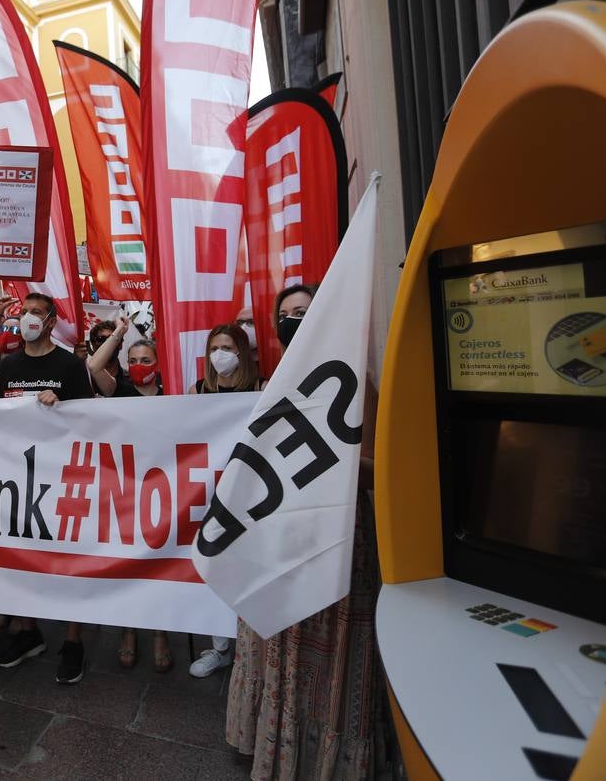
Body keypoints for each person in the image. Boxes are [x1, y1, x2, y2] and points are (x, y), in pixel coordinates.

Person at [224, 282, 390, 780]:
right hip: (274, 540)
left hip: (337, 541)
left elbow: (381, 469)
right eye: (287, 313)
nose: (295, 320)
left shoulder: (358, 384)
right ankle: (270, 739)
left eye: (305, 311)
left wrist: (337, 463)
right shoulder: (267, 386)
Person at [0, 292, 93, 684]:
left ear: (50, 322)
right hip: (19, 478)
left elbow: (92, 419)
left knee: (68, 561)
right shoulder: (8, 365)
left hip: (62, 476)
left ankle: (74, 641)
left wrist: (63, 403)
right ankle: (28, 631)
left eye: (35, 313)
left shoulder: (70, 364)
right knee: (23, 556)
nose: (27, 318)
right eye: (23, 312)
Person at [187, 324, 262, 677]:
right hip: (210, 495)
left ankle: (251, 648)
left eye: (228, 347)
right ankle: (219, 648)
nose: (220, 354)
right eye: (214, 347)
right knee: (212, 568)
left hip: (252, 496)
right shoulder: (198, 390)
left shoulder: (261, 389)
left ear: (242, 351)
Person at [99, 338, 175, 673]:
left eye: (146, 358)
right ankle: (129, 629)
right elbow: (92, 367)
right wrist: (118, 333)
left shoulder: (173, 392)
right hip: (126, 487)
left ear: (160, 362)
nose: (139, 363)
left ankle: (160, 632)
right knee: (128, 561)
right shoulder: (120, 390)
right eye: (132, 359)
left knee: (160, 561)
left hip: (164, 486)